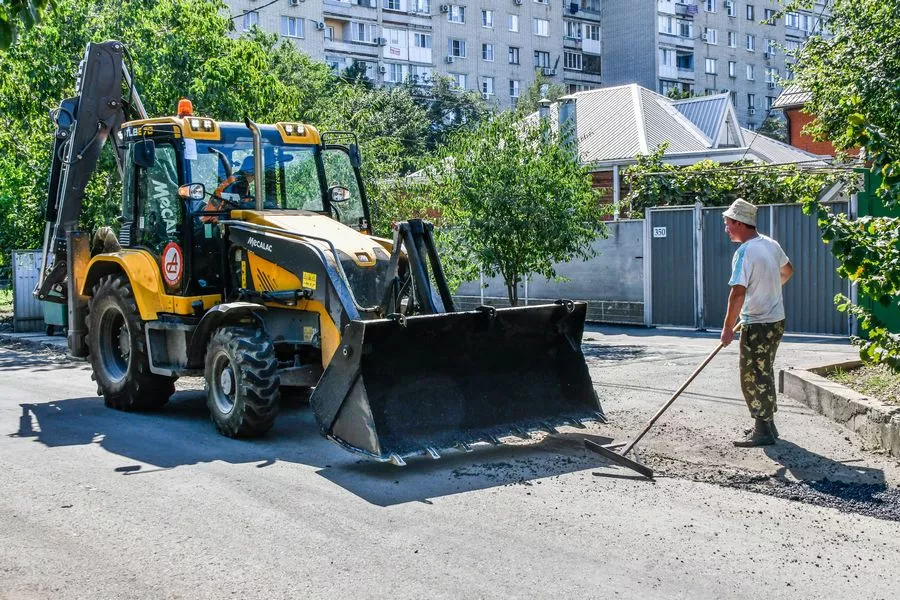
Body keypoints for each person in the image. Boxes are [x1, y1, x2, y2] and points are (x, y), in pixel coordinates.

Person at [719, 198, 794, 447]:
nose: (726, 228)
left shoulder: (745, 252)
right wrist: (767, 289)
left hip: (758, 324)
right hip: (776, 321)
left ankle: (762, 431)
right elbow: (788, 271)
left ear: (740, 223)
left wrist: (727, 328)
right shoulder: (770, 244)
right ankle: (768, 425)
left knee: (752, 376)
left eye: (728, 223)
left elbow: (737, 293)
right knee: (765, 370)